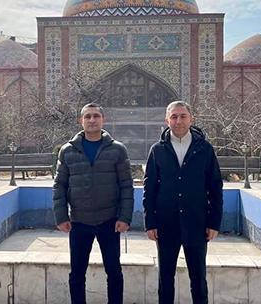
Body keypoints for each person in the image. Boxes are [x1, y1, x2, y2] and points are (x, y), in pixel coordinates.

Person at [143, 101, 223, 304]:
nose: (178, 121)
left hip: (196, 222)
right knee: (165, 279)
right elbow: (149, 189)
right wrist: (150, 223)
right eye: (174, 117)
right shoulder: (158, 150)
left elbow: (214, 186)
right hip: (166, 224)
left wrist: (214, 222)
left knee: (198, 279)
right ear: (167, 120)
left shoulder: (204, 149)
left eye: (182, 116)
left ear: (191, 119)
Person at [53, 103, 134, 304]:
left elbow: (126, 186)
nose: (92, 120)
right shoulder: (68, 151)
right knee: (77, 274)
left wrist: (124, 217)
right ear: (81, 121)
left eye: (96, 116)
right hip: (79, 221)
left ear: (103, 120)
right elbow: (60, 186)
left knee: (114, 272)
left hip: (109, 220)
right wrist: (61, 217)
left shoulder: (117, 149)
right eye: (87, 116)